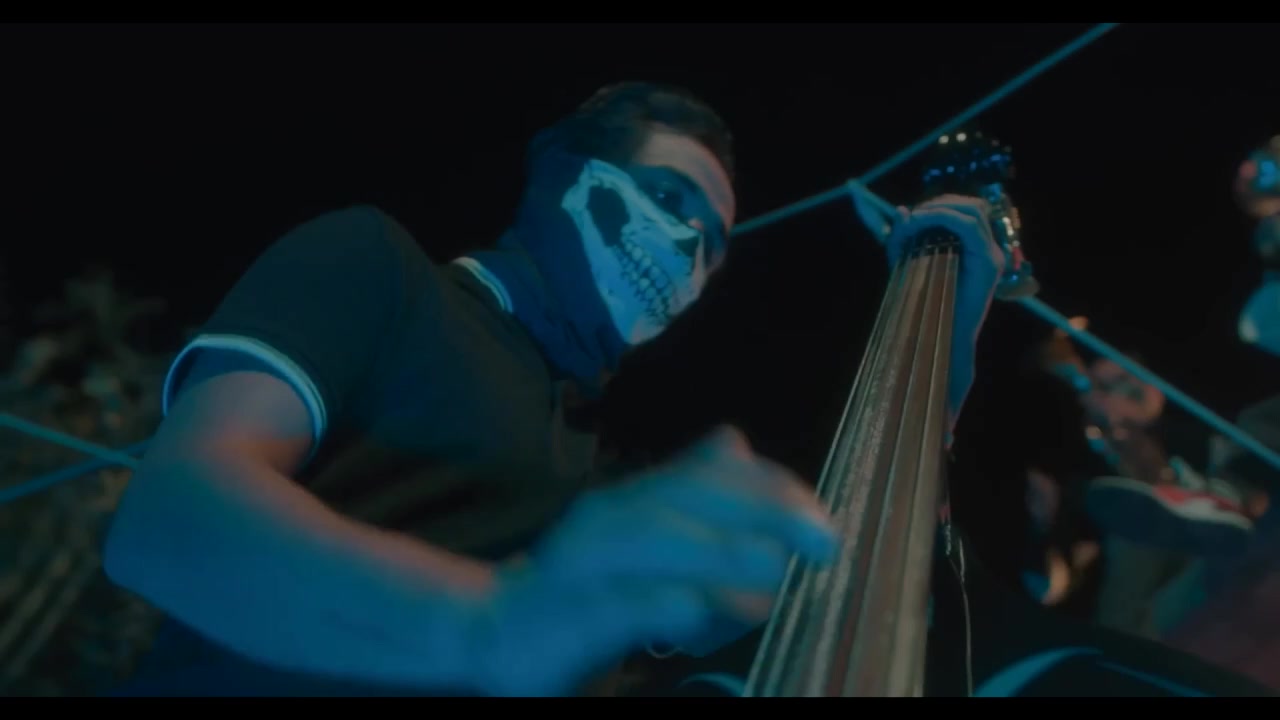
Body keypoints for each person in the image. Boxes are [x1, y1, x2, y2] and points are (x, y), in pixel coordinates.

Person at [102, 82, 1269, 697]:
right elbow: (168, 520)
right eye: (669, 204)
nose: (689, 255)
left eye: (712, 246)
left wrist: (943, 312)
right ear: (563, 172)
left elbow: (841, 565)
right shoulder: (380, 269)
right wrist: (492, 624)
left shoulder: (588, 474)